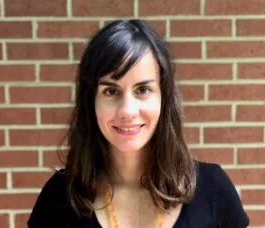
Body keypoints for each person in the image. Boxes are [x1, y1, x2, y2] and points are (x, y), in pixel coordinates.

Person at [28, 20, 249, 228]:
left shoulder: (213, 190)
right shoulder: (58, 197)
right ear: (91, 101)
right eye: (111, 91)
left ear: (163, 97)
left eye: (143, 90)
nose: (127, 111)